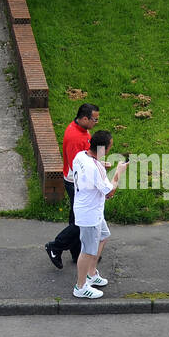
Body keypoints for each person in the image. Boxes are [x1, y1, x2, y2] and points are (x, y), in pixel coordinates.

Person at [70, 130, 127, 299]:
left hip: (88, 209)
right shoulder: (95, 169)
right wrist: (119, 172)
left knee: (103, 236)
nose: (111, 148)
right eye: (110, 146)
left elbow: (91, 172)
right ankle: (80, 287)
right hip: (89, 215)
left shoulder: (81, 156)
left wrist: (101, 166)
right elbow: (109, 192)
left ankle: (91, 273)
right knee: (87, 250)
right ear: (103, 149)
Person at [44, 103, 99, 269]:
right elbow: (79, 167)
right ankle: (55, 246)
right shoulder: (76, 138)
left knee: (76, 217)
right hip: (77, 183)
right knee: (82, 222)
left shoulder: (80, 129)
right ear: (84, 118)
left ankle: (77, 253)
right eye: (94, 119)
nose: (97, 122)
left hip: (74, 181)